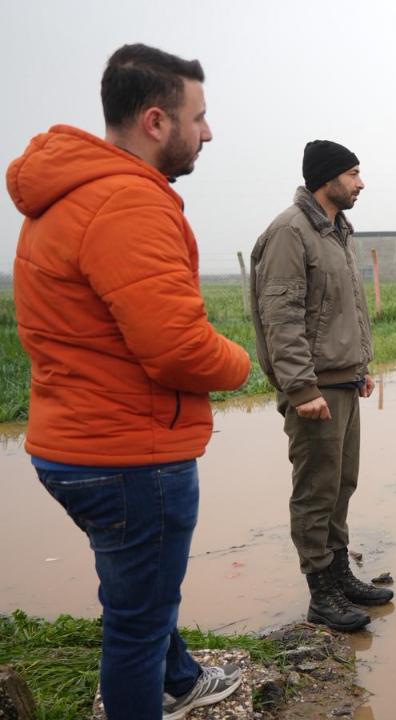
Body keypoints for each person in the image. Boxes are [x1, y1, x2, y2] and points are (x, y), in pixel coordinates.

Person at [7, 44, 250, 718]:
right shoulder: (128, 204)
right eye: (198, 117)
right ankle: (156, 695)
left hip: (72, 440)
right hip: (129, 454)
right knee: (137, 623)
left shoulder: (65, 195)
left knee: (141, 591)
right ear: (154, 121)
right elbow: (177, 349)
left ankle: (181, 680)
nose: (208, 132)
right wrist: (240, 362)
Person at [249, 140, 391, 633]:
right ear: (327, 178)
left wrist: (361, 363)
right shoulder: (291, 232)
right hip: (314, 389)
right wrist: (301, 388)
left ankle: (339, 574)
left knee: (340, 484)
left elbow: (348, 306)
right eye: (353, 173)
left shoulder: (337, 231)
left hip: (344, 380)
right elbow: (281, 317)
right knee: (315, 490)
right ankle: (320, 594)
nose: (360, 182)